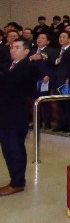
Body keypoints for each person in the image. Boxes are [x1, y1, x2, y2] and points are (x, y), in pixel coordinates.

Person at [0, 39, 39, 196]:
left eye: (17, 48)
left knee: (15, 148)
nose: (12, 50)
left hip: (16, 114)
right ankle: (14, 179)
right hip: (4, 113)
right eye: (11, 47)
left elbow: (13, 80)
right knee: (7, 149)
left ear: (26, 51)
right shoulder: (8, 65)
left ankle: (17, 182)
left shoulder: (28, 67)